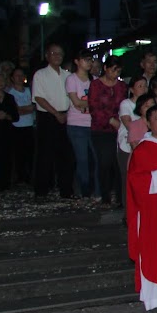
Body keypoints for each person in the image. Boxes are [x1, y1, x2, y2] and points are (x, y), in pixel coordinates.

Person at [127, 105, 157, 311]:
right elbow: (137, 183)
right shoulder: (143, 150)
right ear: (147, 123)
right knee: (154, 251)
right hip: (152, 211)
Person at [32, 44, 75, 200]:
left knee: (66, 155)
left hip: (66, 116)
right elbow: (38, 97)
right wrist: (56, 113)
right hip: (48, 117)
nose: (57, 56)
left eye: (60, 54)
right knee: (45, 155)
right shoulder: (40, 74)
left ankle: (66, 189)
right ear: (47, 56)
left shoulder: (67, 75)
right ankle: (41, 190)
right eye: (54, 53)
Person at [89, 56, 127, 208]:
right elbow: (94, 108)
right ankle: (105, 196)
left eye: (118, 70)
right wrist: (111, 120)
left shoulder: (122, 86)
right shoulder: (96, 85)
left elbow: (124, 105)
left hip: (119, 129)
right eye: (113, 70)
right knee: (105, 162)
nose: (115, 73)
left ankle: (119, 197)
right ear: (106, 68)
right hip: (101, 129)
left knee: (118, 163)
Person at [65, 49, 98, 201]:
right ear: (77, 61)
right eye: (85, 59)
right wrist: (93, 104)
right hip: (77, 124)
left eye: (90, 59)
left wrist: (89, 104)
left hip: (93, 124)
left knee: (97, 158)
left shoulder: (95, 80)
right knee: (82, 159)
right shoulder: (72, 79)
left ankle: (97, 190)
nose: (89, 62)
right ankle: (84, 190)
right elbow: (77, 103)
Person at [117, 76, 148, 206]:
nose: (143, 89)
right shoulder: (126, 104)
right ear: (132, 89)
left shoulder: (150, 103)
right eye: (140, 86)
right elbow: (128, 123)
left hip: (146, 144)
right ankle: (127, 209)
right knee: (128, 177)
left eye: (145, 86)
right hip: (127, 143)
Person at [7, 68, 35, 185]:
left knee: (31, 153)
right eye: (16, 75)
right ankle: (20, 177)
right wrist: (27, 109)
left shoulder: (30, 91)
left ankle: (30, 176)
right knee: (18, 154)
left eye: (21, 75)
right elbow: (14, 111)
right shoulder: (10, 93)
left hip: (30, 125)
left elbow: (34, 106)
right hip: (16, 126)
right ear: (12, 78)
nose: (19, 78)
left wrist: (25, 109)